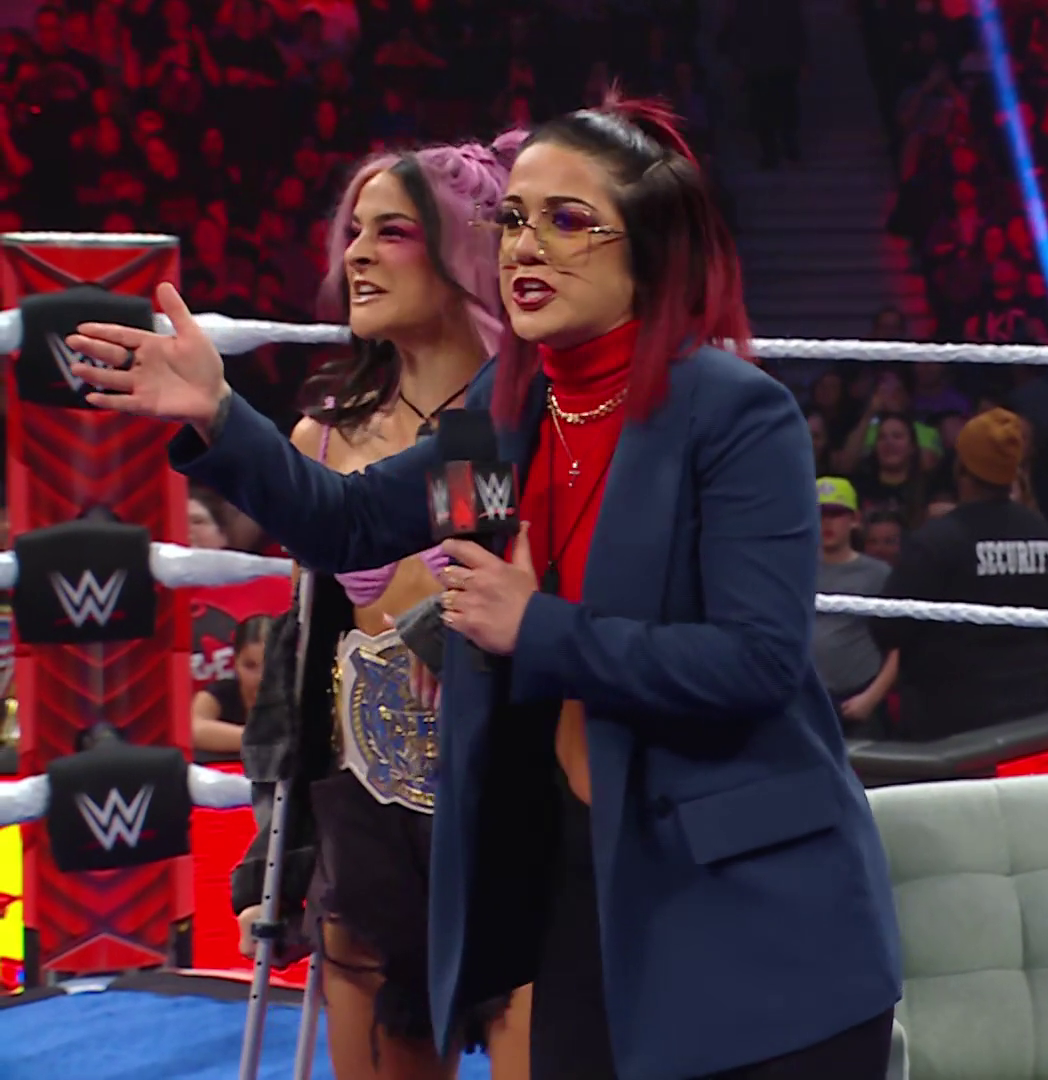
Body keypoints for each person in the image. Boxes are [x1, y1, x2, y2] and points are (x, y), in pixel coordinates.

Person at [66, 97, 901, 1080]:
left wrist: (533, 626)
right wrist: (218, 412)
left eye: (567, 220)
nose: (525, 246)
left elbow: (755, 664)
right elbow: (349, 523)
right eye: (512, 219)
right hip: (577, 880)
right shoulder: (510, 424)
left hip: (745, 909)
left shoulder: (732, 413)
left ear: (650, 249)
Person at [243, 135, 534, 1080]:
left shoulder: (515, 424)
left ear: (463, 252)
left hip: (506, 820)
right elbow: (300, 666)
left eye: (392, 232)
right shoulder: (324, 438)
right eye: (354, 232)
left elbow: (501, 578)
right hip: (368, 826)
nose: (356, 256)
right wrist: (274, 856)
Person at [874, 408, 1048, 741]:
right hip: (1029, 718)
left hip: (948, 727)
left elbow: (888, 627)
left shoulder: (936, 541)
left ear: (961, 467)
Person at [813, 477, 897, 739]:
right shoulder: (794, 571)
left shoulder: (879, 574)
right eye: (820, 514)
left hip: (858, 700)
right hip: (806, 700)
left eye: (836, 514)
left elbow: (900, 646)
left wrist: (871, 697)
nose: (827, 523)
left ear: (854, 519)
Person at [189, 613, 269, 756]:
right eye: (250, 666)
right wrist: (263, 740)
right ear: (236, 662)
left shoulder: (298, 695)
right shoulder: (220, 693)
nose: (261, 677)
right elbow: (192, 729)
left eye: (271, 665)